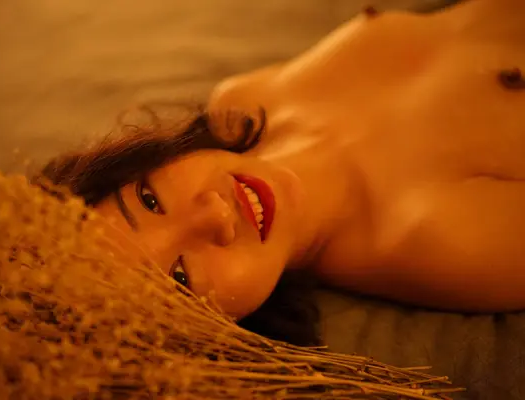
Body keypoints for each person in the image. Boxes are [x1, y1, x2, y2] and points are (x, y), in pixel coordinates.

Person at [39, 0, 525, 327]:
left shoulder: (241, 98)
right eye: (181, 278)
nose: (215, 215)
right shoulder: (441, 240)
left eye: (148, 200)